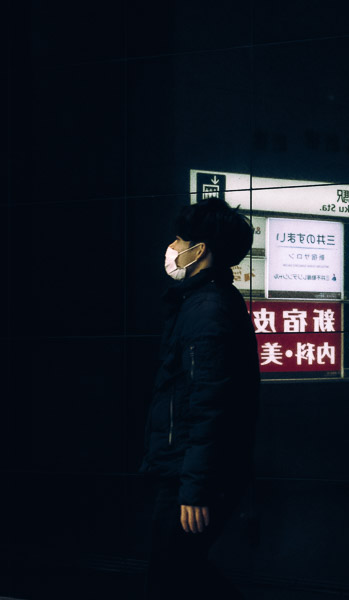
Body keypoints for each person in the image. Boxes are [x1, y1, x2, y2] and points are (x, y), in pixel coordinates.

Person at [140, 197, 260, 600]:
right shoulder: (203, 301)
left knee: (170, 575)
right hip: (189, 470)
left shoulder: (208, 308)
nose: (172, 247)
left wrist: (194, 488)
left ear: (200, 249)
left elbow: (210, 405)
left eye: (179, 238)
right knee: (180, 572)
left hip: (191, 476)